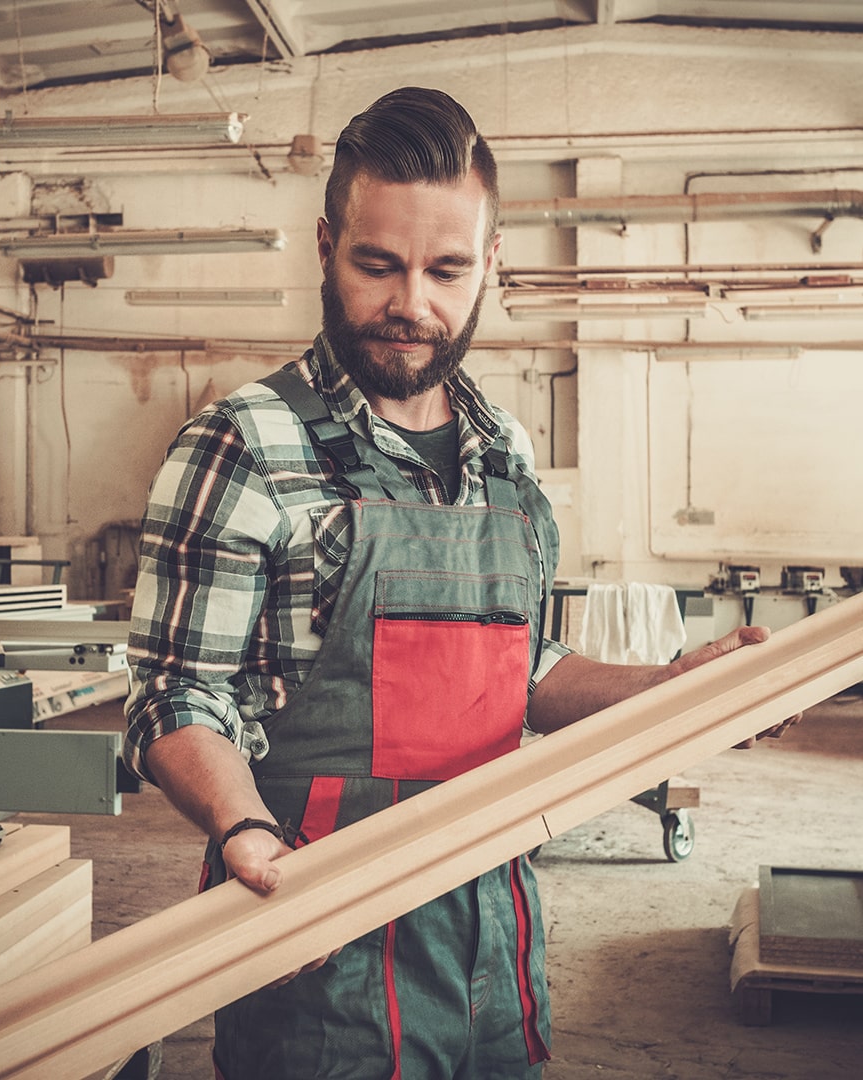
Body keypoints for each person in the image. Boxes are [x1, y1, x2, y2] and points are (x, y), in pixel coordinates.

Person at [123, 86, 798, 1080]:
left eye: (445, 269)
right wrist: (244, 826)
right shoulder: (241, 446)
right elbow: (175, 695)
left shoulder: (502, 451)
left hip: (493, 939)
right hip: (315, 937)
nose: (411, 304)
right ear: (325, 248)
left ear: (490, 264)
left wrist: (672, 692)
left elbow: (513, 664)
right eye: (377, 265)